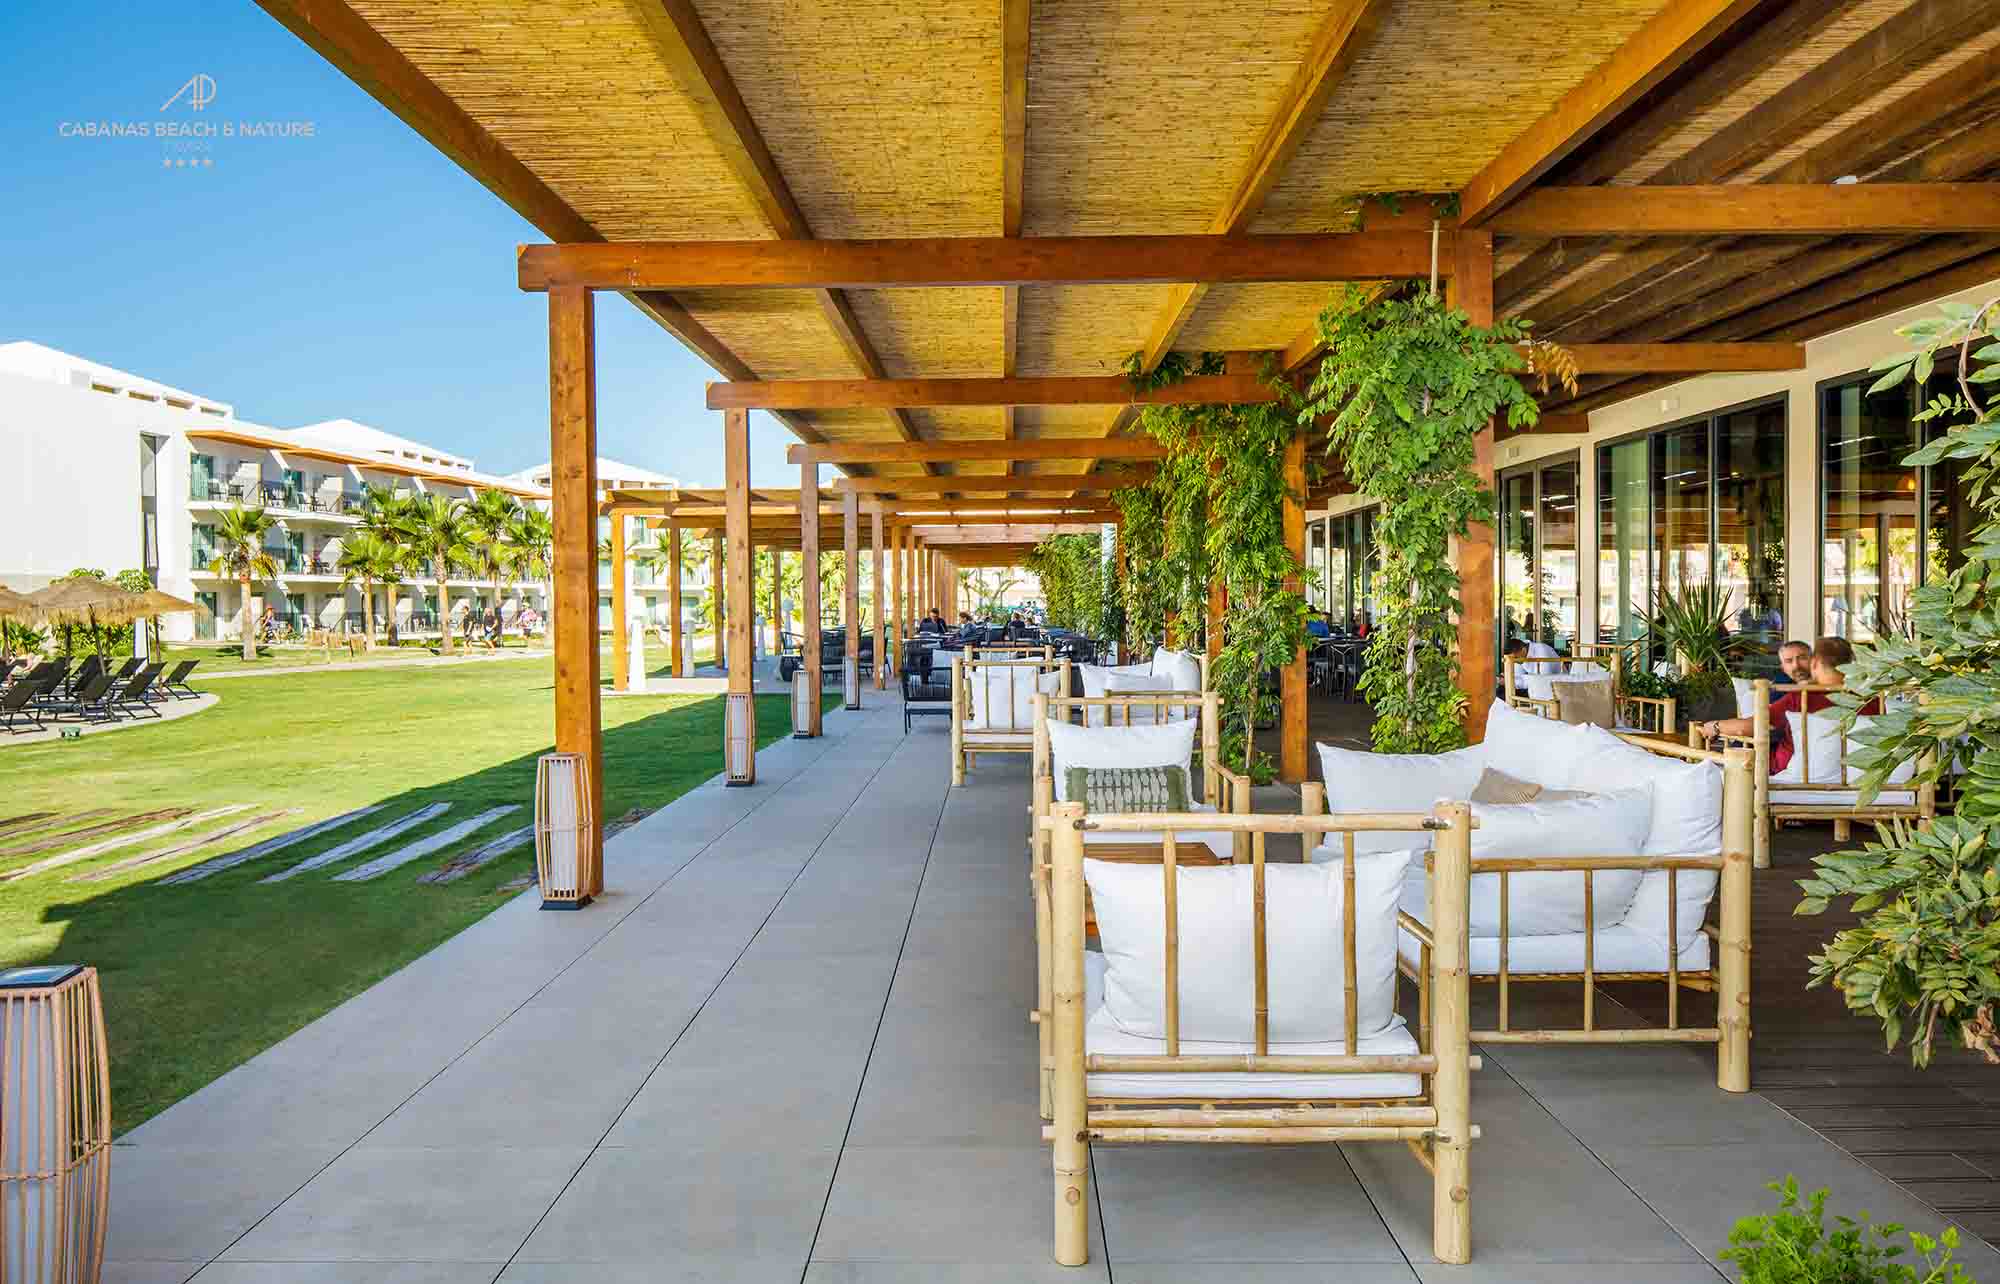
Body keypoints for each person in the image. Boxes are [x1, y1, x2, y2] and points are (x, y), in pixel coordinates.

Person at [1697, 637, 1879, 773]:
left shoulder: (1804, 697)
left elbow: (1751, 726)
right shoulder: (1873, 699)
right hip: (1854, 775)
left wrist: (1714, 726)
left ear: (1813, 663)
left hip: (1797, 773)